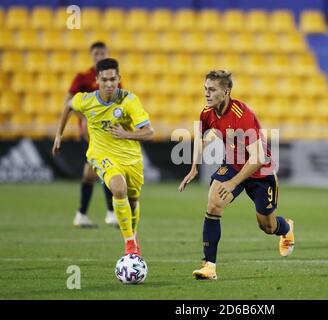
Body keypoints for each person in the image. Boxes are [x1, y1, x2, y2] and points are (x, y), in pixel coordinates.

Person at [178, 70, 295, 280]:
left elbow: (258, 158)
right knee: (213, 203)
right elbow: (201, 136)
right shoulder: (207, 112)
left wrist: (233, 183)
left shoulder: (243, 115)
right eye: (205, 89)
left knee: (267, 226)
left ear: (226, 92)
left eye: (212, 90)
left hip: (260, 173)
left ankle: (286, 227)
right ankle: (209, 266)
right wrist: (194, 167)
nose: (206, 94)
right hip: (232, 165)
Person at [53, 58, 154, 255]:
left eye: (113, 79)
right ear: (97, 79)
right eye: (105, 80)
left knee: (133, 201)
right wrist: (59, 134)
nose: (109, 84)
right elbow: (68, 106)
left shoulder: (129, 100)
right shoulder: (86, 100)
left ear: (119, 79)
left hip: (131, 158)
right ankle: (129, 244)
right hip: (101, 155)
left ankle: (133, 236)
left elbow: (149, 132)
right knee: (118, 188)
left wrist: (127, 134)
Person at [65, 41, 119, 228]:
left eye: (102, 53)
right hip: (90, 133)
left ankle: (82, 215)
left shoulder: (112, 78)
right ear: (91, 56)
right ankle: (109, 214)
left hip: (107, 131)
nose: (99, 56)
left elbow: (119, 102)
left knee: (92, 173)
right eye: (96, 53)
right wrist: (85, 118)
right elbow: (69, 102)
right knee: (104, 169)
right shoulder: (83, 77)